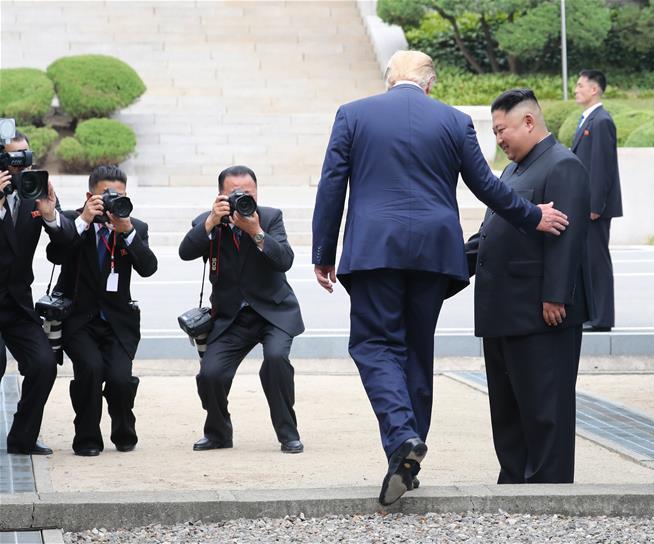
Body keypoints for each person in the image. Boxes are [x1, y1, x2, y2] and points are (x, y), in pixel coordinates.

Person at [311, 50, 570, 506]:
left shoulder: (353, 115)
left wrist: (323, 252)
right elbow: (486, 185)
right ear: (430, 85)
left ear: (390, 80)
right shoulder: (453, 121)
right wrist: (533, 216)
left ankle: (401, 438)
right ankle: (407, 460)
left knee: (373, 345)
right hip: (434, 253)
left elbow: (332, 183)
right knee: (415, 350)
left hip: (375, 251)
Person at [466, 89, 591, 484]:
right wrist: (443, 268)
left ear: (529, 122)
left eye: (502, 130)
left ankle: (548, 486)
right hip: (503, 311)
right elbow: (490, 233)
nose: (499, 139)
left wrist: (556, 295)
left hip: (541, 314)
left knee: (544, 408)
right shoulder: (512, 171)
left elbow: (567, 236)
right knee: (507, 409)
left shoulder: (562, 165)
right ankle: (515, 480)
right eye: (495, 131)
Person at [179, 165, 304, 454]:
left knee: (275, 361)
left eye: (248, 193)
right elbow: (185, 252)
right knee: (210, 375)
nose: (241, 198)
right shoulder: (210, 222)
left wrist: (256, 232)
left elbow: (284, 260)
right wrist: (211, 221)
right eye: (233, 193)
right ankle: (219, 432)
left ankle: (288, 434)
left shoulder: (270, 217)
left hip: (273, 311)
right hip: (232, 316)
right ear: (220, 195)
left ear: (257, 193)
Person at [46, 165, 158, 456]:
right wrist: (83, 220)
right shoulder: (72, 221)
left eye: (118, 195)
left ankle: (124, 432)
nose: (111, 202)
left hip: (118, 322)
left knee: (121, 379)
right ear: (89, 195)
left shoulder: (135, 227)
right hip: (78, 320)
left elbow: (148, 268)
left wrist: (128, 232)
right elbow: (55, 254)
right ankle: (87, 439)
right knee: (91, 370)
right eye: (105, 195)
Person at [0, 130, 77, 455]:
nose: (20, 166)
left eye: (25, 157)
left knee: (44, 364)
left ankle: (22, 439)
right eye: (12, 158)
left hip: (17, 305)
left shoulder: (35, 192)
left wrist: (51, 215)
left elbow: (66, 248)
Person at [572, 69, 622, 332]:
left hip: (595, 208)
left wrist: (594, 206)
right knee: (588, 260)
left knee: (597, 260)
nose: (576, 89)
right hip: (587, 205)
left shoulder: (601, 121)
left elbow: (602, 167)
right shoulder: (587, 120)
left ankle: (602, 318)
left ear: (594, 90)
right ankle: (593, 314)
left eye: (581, 85)